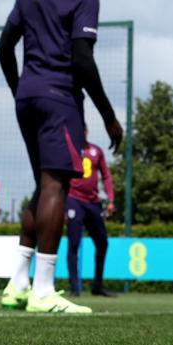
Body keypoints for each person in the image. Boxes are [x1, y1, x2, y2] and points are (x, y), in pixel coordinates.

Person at [0, 0, 123, 315]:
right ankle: (45, 290)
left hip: (28, 96)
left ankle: (17, 285)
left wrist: (21, 90)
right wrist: (108, 115)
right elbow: (83, 61)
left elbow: (4, 47)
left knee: (42, 184)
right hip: (59, 99)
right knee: (56, 187)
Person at [65, 126, 116, 297]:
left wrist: (111, 199)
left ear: (86, 131)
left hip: (93, 202)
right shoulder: (68, 149)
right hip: (74, 200)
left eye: (84, 129)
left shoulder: (96, 151)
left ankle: (97, 285)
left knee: (102, 242)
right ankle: (74, 287)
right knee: (73, 244)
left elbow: (106, 175)